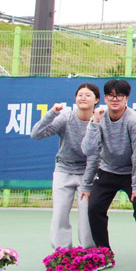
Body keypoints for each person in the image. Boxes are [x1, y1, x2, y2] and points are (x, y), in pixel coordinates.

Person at [81, 79, 136, 270]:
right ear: (104, 98)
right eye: (111, 95)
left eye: (119, 95)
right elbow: (89, 150)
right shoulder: (97, 119)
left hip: (132, 172)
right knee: (94, 208)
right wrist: (94, 123)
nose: (115, 99)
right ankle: (104, 254)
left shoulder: (134, 120)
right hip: (106, 171)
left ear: (126, 98)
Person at [31, 83, 99, 249]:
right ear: (75, 98)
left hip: (88, 173)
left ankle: (91, 253)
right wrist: (52, 113)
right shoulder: (66, 118)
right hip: (64, 170)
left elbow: (97, 153)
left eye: (88, 95)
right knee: (60, 213)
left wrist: (89, 181)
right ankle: (62, 252)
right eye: (80, 95)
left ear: (96, 100)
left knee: (87, 215)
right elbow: (36, 134)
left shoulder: (100, 120)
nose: (83, 98)